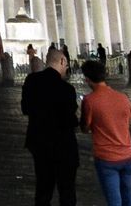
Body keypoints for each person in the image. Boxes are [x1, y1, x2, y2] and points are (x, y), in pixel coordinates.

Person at [22, 48, 80, 206]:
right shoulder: (67, 89)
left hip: (39, 144)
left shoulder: (31, 81)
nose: (66, 69)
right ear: (62, 61)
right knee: (67, 192)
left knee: (43, 190)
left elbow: (25, 109)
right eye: (66, 65)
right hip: (63, 146)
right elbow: (70, 120)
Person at [81, 59, 131, 205]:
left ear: (87, 79)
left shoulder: (89, 100)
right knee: (128, 198)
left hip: (106, 158)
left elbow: (85, 128)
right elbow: (128, 119)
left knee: (114, 201)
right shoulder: (123, 98)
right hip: (128, 155)